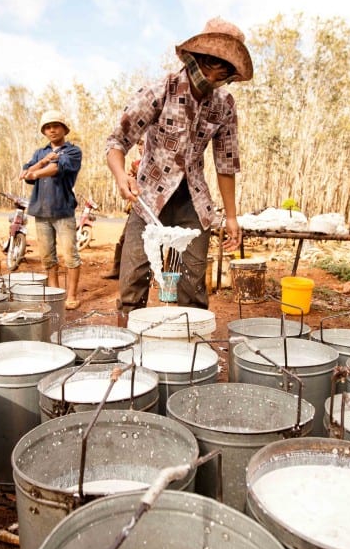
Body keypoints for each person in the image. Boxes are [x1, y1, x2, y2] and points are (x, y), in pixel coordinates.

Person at [105, 17, 251, 322]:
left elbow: (225, 162)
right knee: (132, 282)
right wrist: (121, 177)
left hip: (193, 201)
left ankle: (190, 353)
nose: (214, 76)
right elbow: (117, 141)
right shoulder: (161, 90)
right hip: (148, 200)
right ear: (196, 58)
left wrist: (233, 217)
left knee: (193, 284)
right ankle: (128, 354)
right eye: (210, 65)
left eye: (223, 71)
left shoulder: (224, 104)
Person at [21, 110, 83, 310]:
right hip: (41, 211)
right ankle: (55, 293)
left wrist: (36, 171)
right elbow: (25, 173)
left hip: (63, 211)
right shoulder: (40, 153)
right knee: (48, 257)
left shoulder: (73, 151)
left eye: (56, 125)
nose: (52, 130)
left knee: (70, 255)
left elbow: (55, 169)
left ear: (64, 129)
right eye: (48, 127)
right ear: (44, 131)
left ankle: (72, 295)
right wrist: (40, 163)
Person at [103, 140, 142, 280]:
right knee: (124, 239)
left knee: (156, 241)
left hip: (158, 210)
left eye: (144, 144)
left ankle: (157, 275)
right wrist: (131, 176)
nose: (141, 147)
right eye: (140, 144)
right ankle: (117, 269)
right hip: (138, 209)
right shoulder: (136, 163)